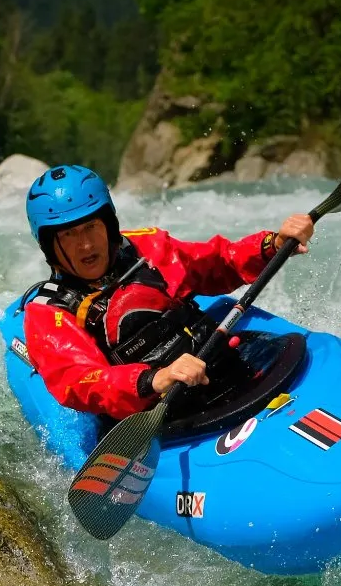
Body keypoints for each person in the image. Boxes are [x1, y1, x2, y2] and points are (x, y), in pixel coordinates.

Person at [20, 165, 314, 419]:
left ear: (108, 225)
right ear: (49, 245)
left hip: (217, 365)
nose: (85, 244)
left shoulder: (148, 250)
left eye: (90, 227)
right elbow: (81, 380)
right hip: (161, 409)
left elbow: (218, 263)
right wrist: (153, 379)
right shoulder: (49, 314)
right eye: (69, 235)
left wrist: (272, 245)